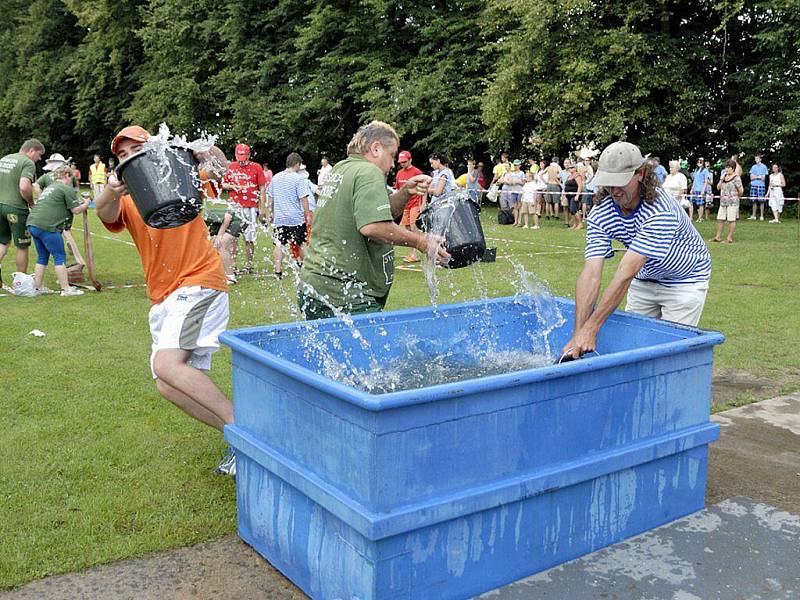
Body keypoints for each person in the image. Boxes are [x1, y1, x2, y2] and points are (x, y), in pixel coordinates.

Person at [95, 125, 236, 476]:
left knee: (167, 366)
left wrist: (207, 151)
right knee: (167, 384)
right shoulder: (127, 198)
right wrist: (112, 190)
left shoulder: (178, 172)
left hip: (199, 282)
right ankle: (236, 436)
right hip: (164, 296)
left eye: (133, 150)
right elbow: (103, 213)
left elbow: (221, 168)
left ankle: (249, 436)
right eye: (121, 155)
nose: (128, 158)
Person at [562, 142, 711, 360]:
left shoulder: (660, 211)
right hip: (645, 279)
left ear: (640, 174)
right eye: (608, 182)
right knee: (633, 350)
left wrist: (592, 328)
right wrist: (578, 333)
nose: (614, 190)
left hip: (684, 281)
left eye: (620, 182)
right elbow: (591, 274)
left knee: (668, 352)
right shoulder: (601, 212)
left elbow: (625, 273)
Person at [298, 120, 449, 319]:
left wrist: (405, 192)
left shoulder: (342, 169)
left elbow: (375, 213)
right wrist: (421, 242)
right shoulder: (369, 172)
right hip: (344, 291)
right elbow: (373, 226)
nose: (393, 164)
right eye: (392, 155)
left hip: (315, 286)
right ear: (376, 148)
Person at [26, 165, 90, 296]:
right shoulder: (66, 188)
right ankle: (66, 289)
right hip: (48, 226)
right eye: (71, 177)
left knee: (42, 256)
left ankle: (38, 287)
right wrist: (87, 203)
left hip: (33, 223)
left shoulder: (49, 188)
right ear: (66, 175)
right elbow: (76, 210)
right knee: (60, 256)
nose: (71, 180)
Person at [0, 138, 45, 283]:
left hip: (0, 204)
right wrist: (31, 203)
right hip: (16, 208)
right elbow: (24, 186)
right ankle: (21, 283)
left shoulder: (4, 159)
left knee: (2, 243)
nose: (39, 159)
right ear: (31, 150)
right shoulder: (27, 163)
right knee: (22, 245)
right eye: (39, 155)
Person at [264, 152, 310, 278]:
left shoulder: (276, 177)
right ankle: (308, 269)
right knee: (300, 243)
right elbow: (304, 199)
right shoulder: (299, 179)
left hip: (280, 218)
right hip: (295, 218)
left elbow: (270, 198)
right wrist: (307, 215)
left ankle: (278, 272)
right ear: (297, 164)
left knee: (279, 244)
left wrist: (272, 213)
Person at [222, 143, 266, 274]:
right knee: (232, 238)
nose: (242, 161)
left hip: (250, 207)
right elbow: (223, 184)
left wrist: (262, 209)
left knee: (249, 238)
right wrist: (232, 187)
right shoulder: (231, 166)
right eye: (240, 157)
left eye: (244, 158)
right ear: (236, 155)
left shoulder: (256, 167)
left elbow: (262, 188)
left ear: (248, 155)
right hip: (235, 206)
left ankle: (248, 264)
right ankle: (233, 264)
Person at [395, 150, 423, 263]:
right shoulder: (399, 173)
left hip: (415, 203)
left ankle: (416, 253)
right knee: (407, 229)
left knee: (413, 227)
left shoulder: (416, 172)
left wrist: (423, 203)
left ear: (410, 160)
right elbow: (398, 189)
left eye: (404, 162)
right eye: (401, 162)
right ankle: (412, 253)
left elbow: (423, 188)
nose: (402, 164)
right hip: (404, 205)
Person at [712, 159, 743, 244]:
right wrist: (721, 180)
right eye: (726, 167)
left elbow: (741, 191)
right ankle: (718, 237)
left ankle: (729, 238)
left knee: (731, 219)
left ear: (733, 168)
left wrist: (736, 196)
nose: (727, 169)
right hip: (723, 202)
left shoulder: (737, 178)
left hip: (732, 202)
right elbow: (718, 187)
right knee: (720, 219)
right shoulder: (723, 176)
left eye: (729, 167)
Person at [502, 159, 525, 226]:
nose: (515, 166)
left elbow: (523, 182)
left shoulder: (522, 173)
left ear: (520, 166)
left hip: (519, 191)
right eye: (514, 165)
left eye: (517, 165)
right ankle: (515, 221)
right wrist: (510, 182)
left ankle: (519, 222)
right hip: (513, 191)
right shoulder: (512, 173)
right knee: (515, 207)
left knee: (519, 207)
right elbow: (510, 182)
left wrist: (517, 181)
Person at [747, 155, 769, 221]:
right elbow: (751, 178)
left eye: (757, 158)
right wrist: (759, 177)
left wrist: (755, 177)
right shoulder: (753, 167)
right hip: (753, 185)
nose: (756, 160)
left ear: (760, 159)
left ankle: (761, 216)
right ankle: (753, 216)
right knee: (753, 200)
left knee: (761, 201)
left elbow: (763, 178)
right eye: (755, 159)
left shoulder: (764, 167)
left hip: (761, 185)